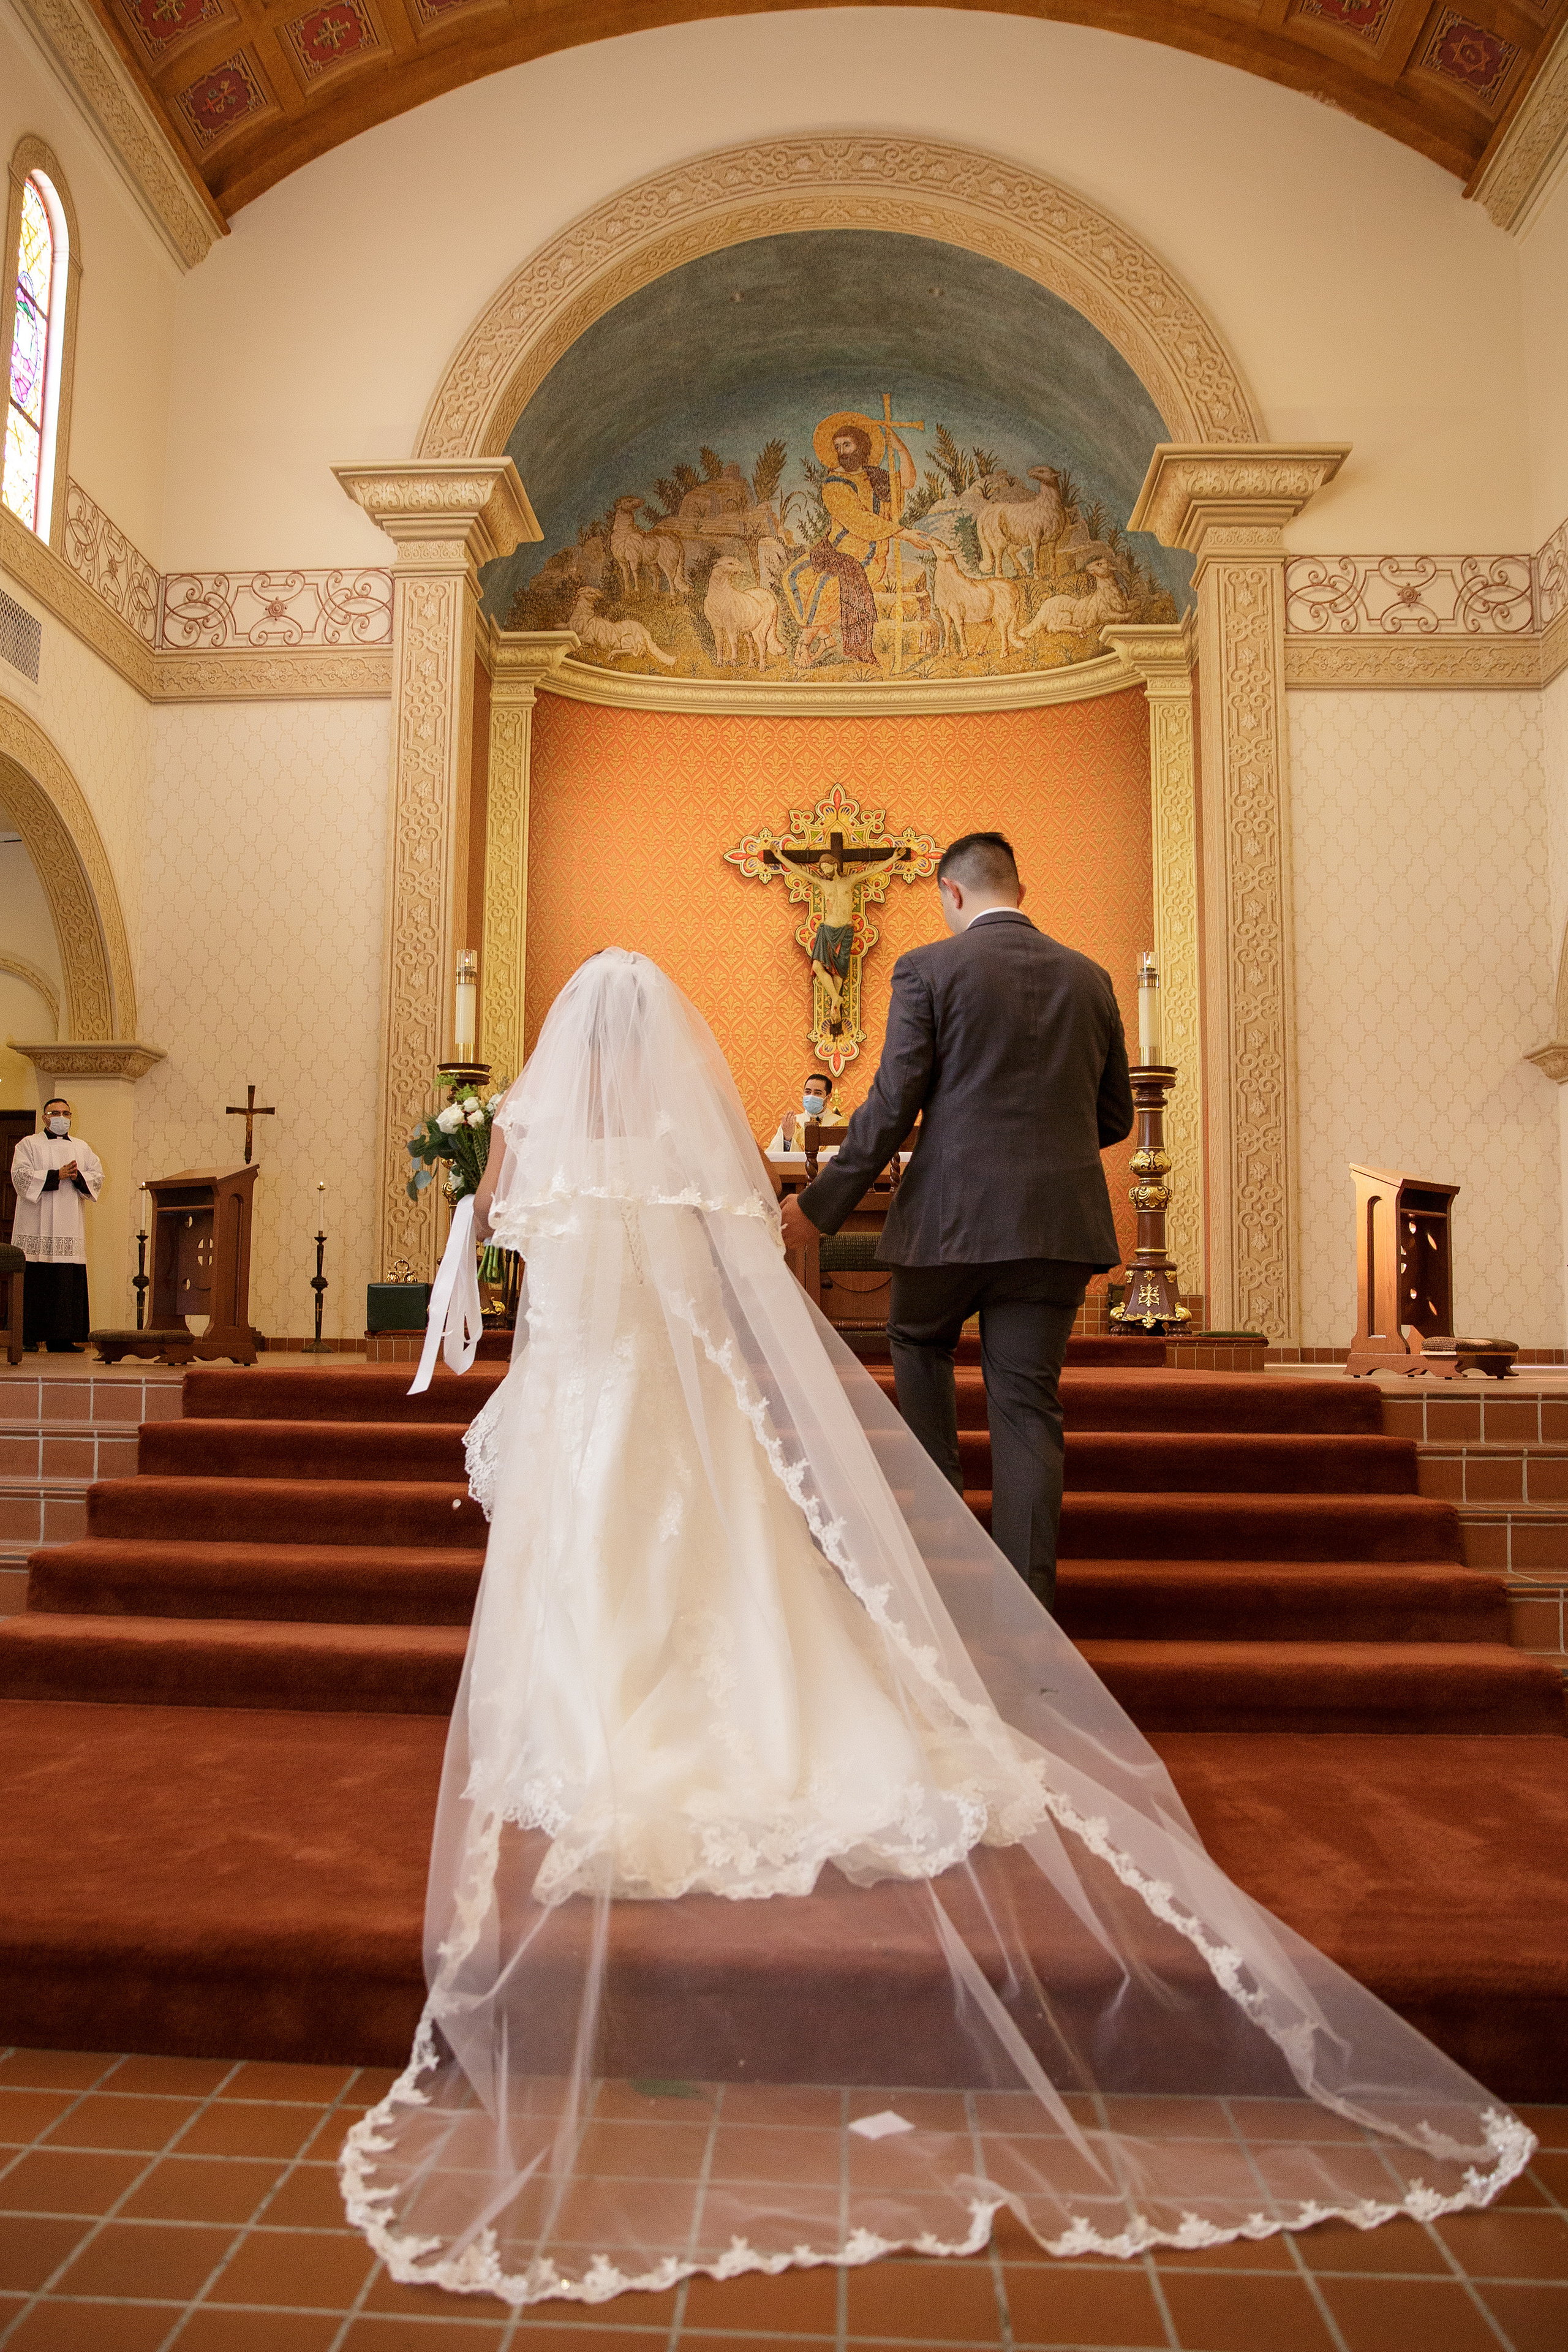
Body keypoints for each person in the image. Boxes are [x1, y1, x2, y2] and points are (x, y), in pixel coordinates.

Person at [341, 947, 1528, 2313]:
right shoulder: (690, 1143)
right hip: (703, 1411)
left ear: (565, 1049)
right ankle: (932, 1632)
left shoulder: (534, 1143)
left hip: (592, 1413)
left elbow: (501, 1253)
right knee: (834, 1509)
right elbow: (758, 1275)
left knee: (605, 1560)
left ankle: (596, 1716)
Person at [782, 832, 1132, 1614]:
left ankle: (940, 1526)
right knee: (1025, 1402)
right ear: (1017, 887)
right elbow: (1112, 1116)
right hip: (1055, 1228)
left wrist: (816, 1208)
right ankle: (1028, 1609)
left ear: (952, 892)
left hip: (950, 1221)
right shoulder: (1090, 977)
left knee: (916, 1337)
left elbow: (888, 1108)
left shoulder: (928, 969)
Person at [10, 1098, 102, 1354]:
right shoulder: (28, 1145)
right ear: (44, 1118)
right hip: (35, 1223)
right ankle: (27, 1337)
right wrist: (55, 1175)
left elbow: (97, 1176)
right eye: (55, 1113)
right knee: (34, 1280)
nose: (61, 1117)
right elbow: (20, 1177)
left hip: (67, 1223)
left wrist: (77, 1176)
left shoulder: (82, 1148)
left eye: (65, 1113)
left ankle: (61, 1338)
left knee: (65, 1281)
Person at [766, 1069, 842, 1156]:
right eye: (808, 1092)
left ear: (828, 1097)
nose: (811, 1096)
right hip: (797, 1170)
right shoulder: (792, 1123)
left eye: (818, 1093)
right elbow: (774, 1156)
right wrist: (787, 1139)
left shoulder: (842, 1124)